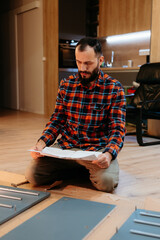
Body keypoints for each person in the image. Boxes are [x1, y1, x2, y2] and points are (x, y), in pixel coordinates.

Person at [25, 37, 126, 192]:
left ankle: (87, 169)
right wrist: (41, 143)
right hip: (67, 148)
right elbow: (57, 120)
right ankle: (79, 169)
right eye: (78, 62)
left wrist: (109, 154)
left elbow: (117, 129)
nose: (82, 68)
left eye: (88, 63)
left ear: (101, 60)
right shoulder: (66, 85)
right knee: (33, 175)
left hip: (96, 151)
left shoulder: (114, 88)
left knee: (107, 183)